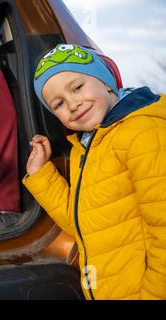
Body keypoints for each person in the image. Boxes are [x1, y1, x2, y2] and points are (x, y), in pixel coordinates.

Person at [23, 43, 166, 300]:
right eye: (58, 104)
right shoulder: (86, 146)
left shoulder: (142, 132)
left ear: (107, 82)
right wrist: (40, 173)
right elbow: (84, 222)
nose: (73, 104)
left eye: (77, 87)